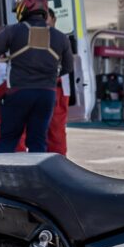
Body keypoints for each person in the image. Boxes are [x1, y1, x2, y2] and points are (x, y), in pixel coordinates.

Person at [0, 0, 73, 153]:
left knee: (8, 140)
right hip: (46, 95)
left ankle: (3, 177)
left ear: (23, 8)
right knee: (38, 142)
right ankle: (36, 178)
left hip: (19, 93)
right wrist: (50, 76)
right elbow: (68, 67)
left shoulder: (12, 31)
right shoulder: (61, 37)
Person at [46, 8, 69, 155]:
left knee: (56, 132)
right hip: (48, 88)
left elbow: (68, 66)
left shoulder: (59, 39)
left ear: (54, 20)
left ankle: (58, 167)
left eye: (46, 18)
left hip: (57, 89)